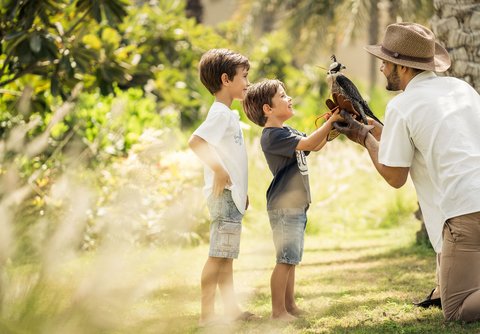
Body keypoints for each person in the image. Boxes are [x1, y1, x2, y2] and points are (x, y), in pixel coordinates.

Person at [332, 22, 480, 322]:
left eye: (385, 62)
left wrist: (363, 137)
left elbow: (395, 176)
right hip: (470, 204)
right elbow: (427, 143)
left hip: (467, 212)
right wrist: (377, 133)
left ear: (402, 66)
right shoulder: (461, 88)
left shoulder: (403, 105)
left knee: (457, 310)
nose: (383, 68)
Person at [243, 79, 341, 321]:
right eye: (283, 96)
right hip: (284, 206)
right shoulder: (271, 136)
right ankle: (278, 312)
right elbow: (308, 143)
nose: (289, 99)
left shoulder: (287, 132)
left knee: (292, 259)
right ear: (268, 109)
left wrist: (336, 125)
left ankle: (290, 305)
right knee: (285, 259)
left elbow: (314, 146)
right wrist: (330, 122)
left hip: (296, 205)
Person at [188, 48, 257, 326]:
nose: (248, 83)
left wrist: (242, 191)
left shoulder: (228, 114)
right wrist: (218, 170)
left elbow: (231, 156)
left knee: (226, 257)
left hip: (232, 196)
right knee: (218, 256)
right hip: (223, 197)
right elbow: (196, 142)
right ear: (226, 79)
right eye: (244, 76)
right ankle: (207, 316)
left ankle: (231, 310)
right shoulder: (220, 113)